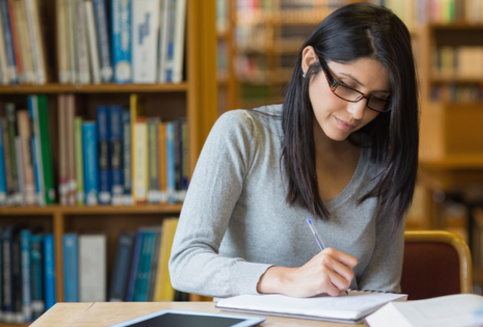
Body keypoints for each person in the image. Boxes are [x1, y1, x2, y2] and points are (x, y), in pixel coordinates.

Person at [169, 2, 419, 299]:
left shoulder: (383, 161)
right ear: (309, 60)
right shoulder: (243, 134)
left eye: (378, 98)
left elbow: (381, 291)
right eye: (346, 86)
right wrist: (286, 280)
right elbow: (185, 262)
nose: (357, 111)